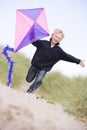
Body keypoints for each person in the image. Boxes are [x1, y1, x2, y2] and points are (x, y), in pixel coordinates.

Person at [26, 29, 85, 93]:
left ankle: (30, 90)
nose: (56, 39)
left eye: (59, 38)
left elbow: (67, 56)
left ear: (60, 40)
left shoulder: (59, 51)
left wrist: (78, 61)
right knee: (28, 79)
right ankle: (38, 82)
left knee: (39, 79)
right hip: (35, 65)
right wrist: (30, 33)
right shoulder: (43, 43)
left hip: (44, 69)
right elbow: (33, 41)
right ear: (52, 35)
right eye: (56, 36)